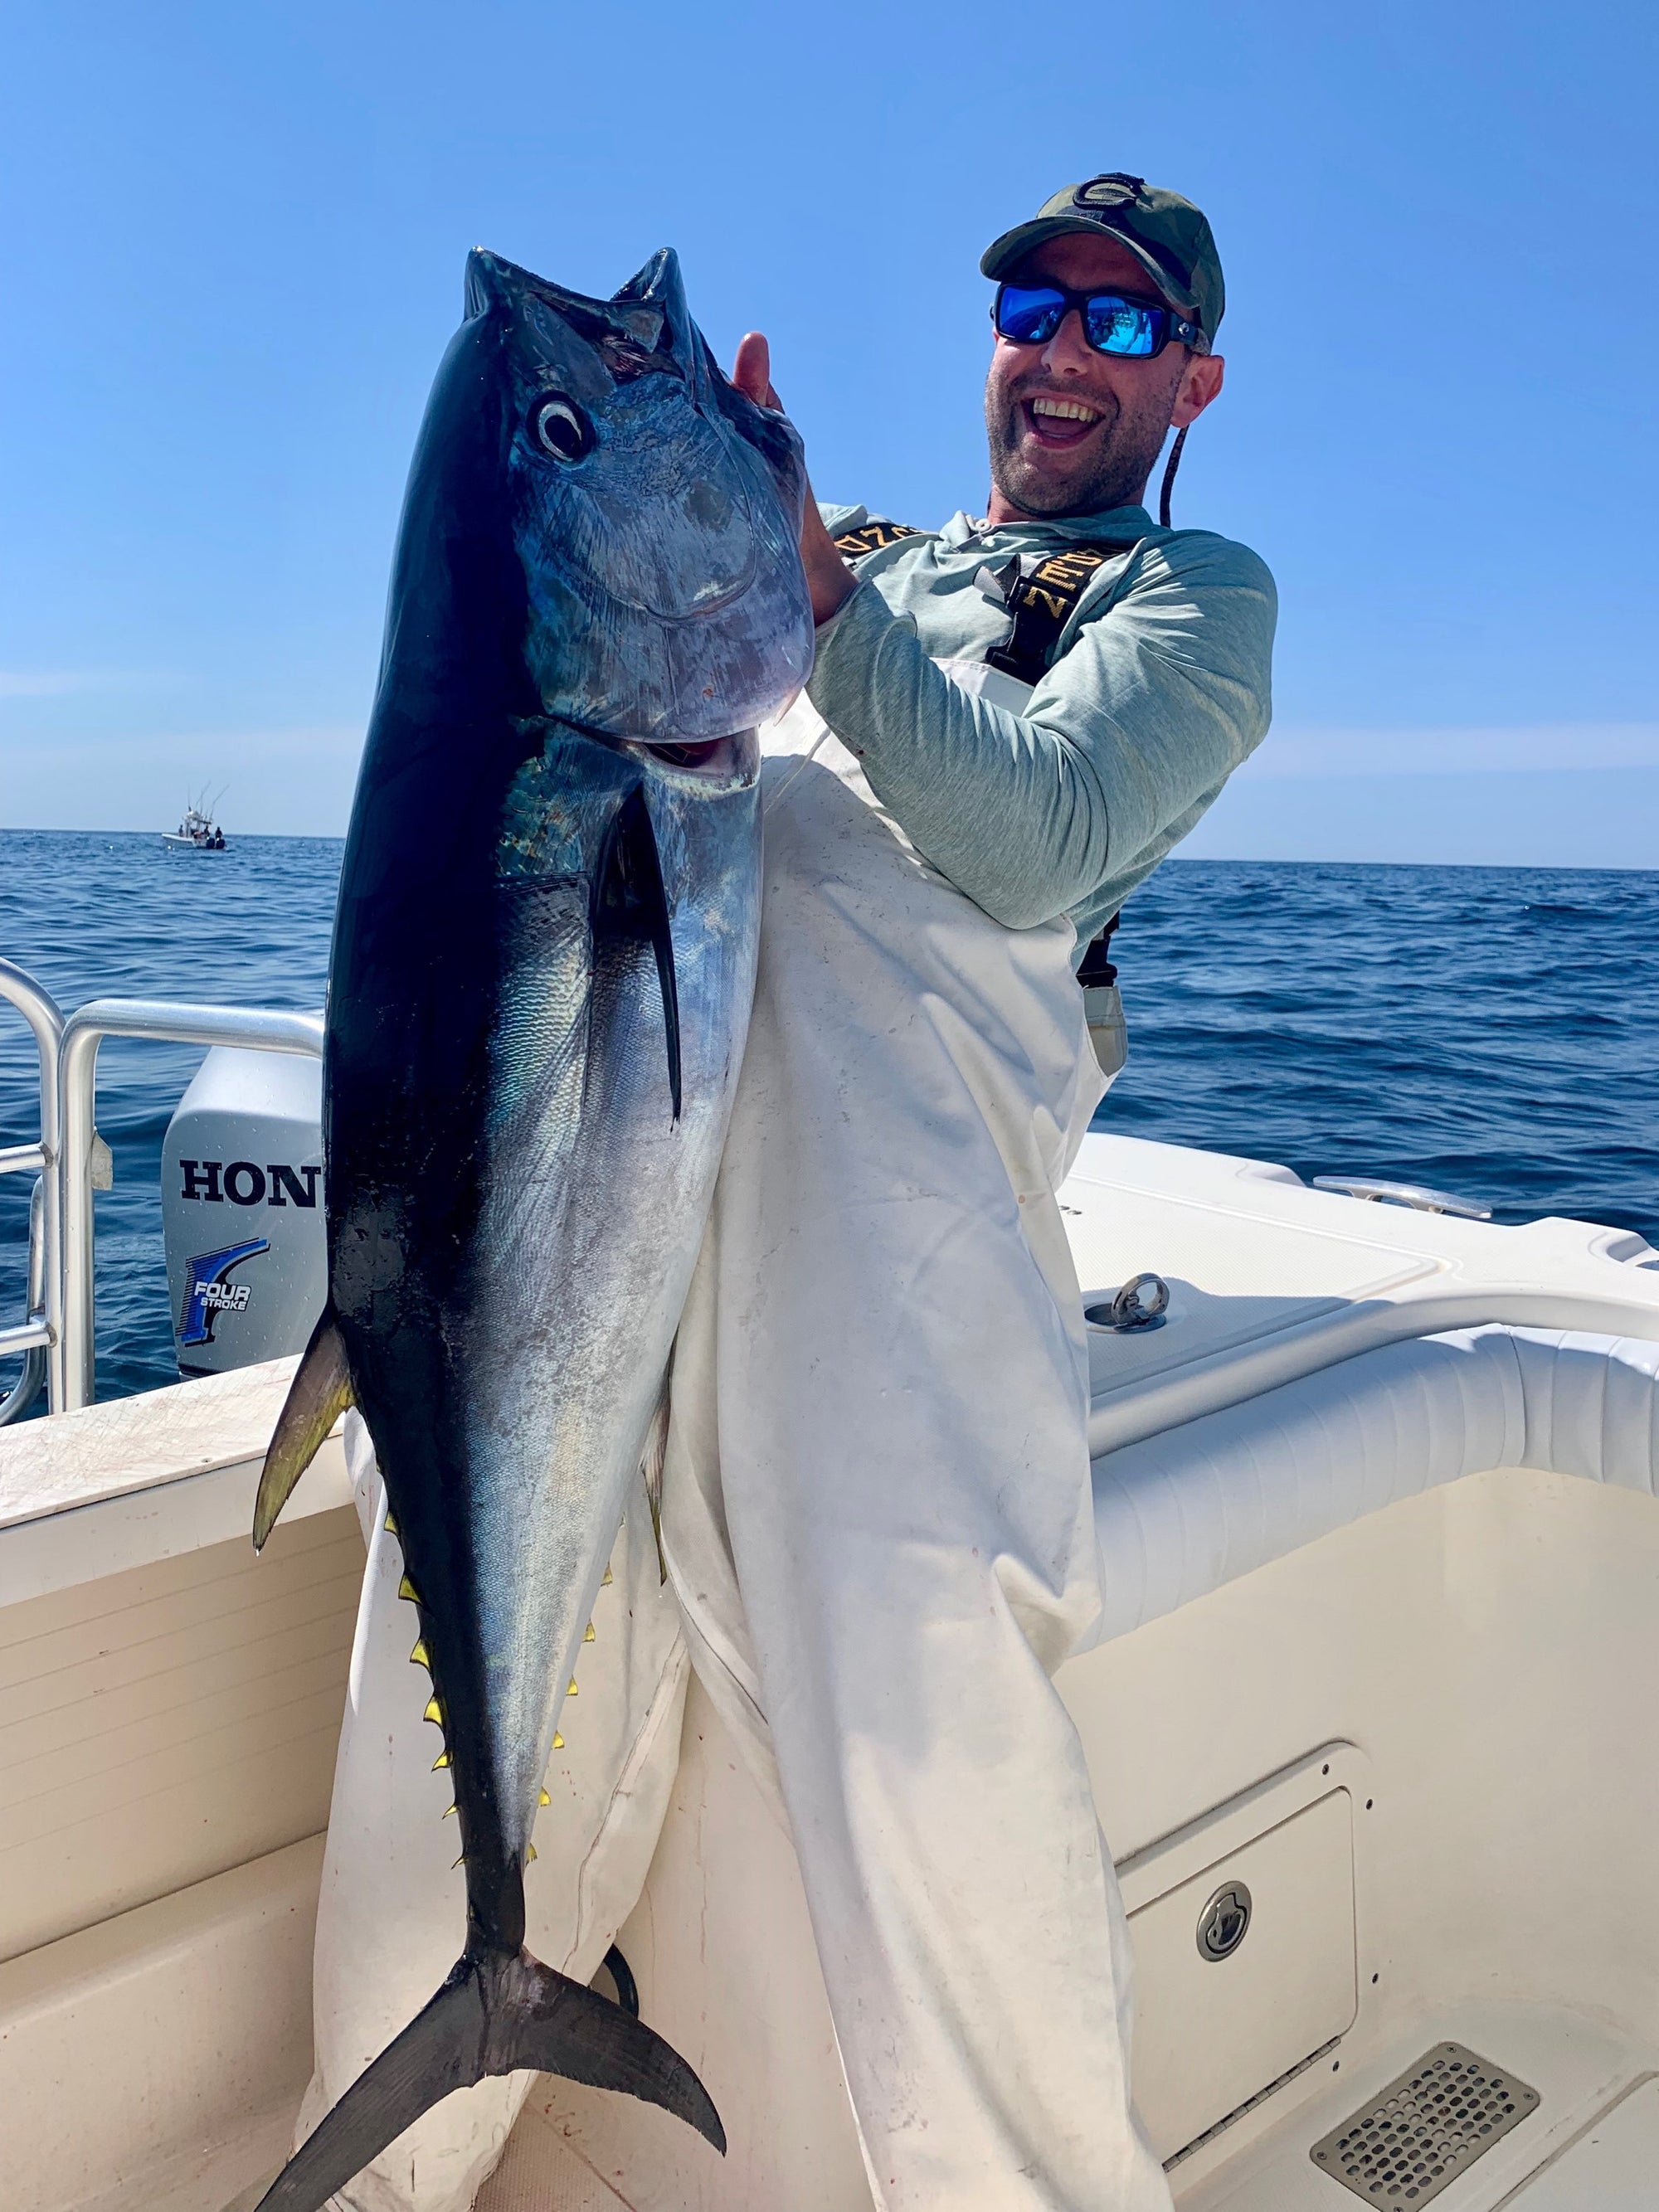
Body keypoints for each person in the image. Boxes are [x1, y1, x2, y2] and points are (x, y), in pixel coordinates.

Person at [302, 173, 1274, 2212]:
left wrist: (807, 592)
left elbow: (1034, 839)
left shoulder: (1187, 613)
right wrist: (766, 555)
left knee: (934, 1757)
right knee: (475, 1722)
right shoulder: (875, 553)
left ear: (1189, 377)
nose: (1057, 354)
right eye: (1031, 302)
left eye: (1117, 326)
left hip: (888, 1254)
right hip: (631, 1194)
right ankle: (400, 2158)